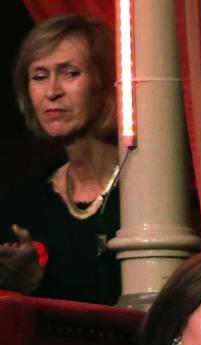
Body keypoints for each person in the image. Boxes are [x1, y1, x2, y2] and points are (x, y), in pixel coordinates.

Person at [0, 14, 121, 304]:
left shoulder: (148, 189)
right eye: (39, 77)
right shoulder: (23, 205)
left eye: (70, 73)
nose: (52, 92)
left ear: (105, 84)